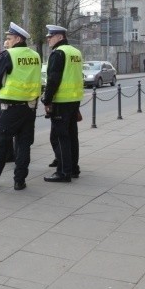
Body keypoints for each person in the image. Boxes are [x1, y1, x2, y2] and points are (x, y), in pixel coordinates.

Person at [0, 22, 41, 191]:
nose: (7, 41)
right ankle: (20, 181)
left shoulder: (8, 55)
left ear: (18, 38)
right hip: (30, 108)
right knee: (24, 144)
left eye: (9, 38)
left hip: (10, 108)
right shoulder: (35, 55)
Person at [41, 25, 84, 182]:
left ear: (59, 37)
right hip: (74, 100)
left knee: (61, 137)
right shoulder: (76, 52)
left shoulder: (58, 53)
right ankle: (74, 169)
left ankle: (63, 172)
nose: (48, 40)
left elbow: (53, 79)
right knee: (72, 136)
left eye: (50, 37)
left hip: (61, 101)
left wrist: (47, 99)